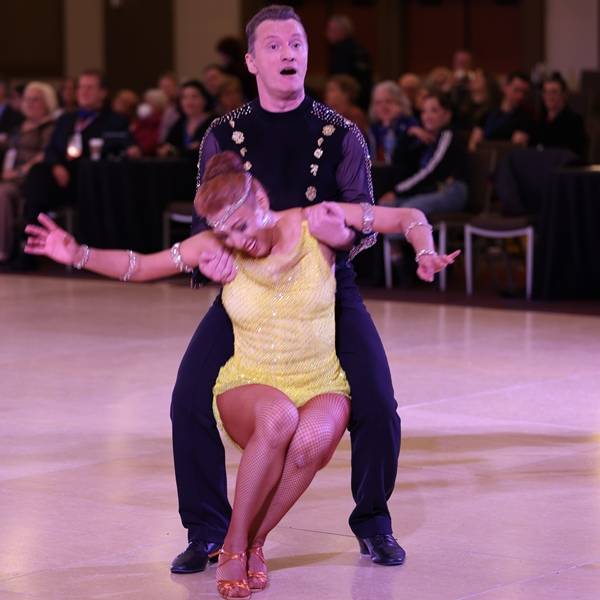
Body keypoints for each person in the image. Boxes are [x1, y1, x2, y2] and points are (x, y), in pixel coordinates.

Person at [25, 151, 458, 599]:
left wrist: (424, 252)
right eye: (225, 231)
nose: (239, 240)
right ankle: (233, 546)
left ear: (263, 200)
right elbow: (142, 265)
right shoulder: (215, 248)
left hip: (320, 379)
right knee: (278, 420)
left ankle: (255, 541)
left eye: (244, 225)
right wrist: (76, 254)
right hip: (249, 381)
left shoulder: (317, 223)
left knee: (312, 439)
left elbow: (408, 215)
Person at [171, 4, 405, 576]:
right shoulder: (222, 133)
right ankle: (207, 530)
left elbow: (365, 220)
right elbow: (213, 216)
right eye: (273, 45)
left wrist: (340, 235)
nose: (288, 54)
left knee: (377, 400)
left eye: (296, 44)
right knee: (186, 401)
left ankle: (373, 520)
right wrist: (217, 263)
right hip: (247, 287)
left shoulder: (340, 132)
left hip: (321, 285)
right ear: (252, 60)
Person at [15, 70, 131, 269]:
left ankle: (86, 252)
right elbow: (51, 149)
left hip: (92, 180)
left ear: (102, 92)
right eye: (80, 87)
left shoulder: (115, 120)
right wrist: (56, 165)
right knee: (37, 175)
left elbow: (125, 146)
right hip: (62, 179)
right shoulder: (66, 119)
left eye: (89, 87)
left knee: (39, 182)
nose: (83, 92)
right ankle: (30, 241)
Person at [379, 92, 468, 217]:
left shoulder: (449, 135)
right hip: (429, 189)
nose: (427, 116)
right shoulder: (426, 138)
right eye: (424, 111)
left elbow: (432, 171)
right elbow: (400, 165)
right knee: (385, 207)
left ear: (447, 115)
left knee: (406, 214)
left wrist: (397, 192)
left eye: (434, 111)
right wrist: (408, 135)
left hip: (450, 189)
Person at [0, 82, 57, 261]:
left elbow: (46, 154)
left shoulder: (50, 128)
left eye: (36, 100)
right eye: (27, 99)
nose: (30, 104)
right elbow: (9, 151)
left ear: (47, 102)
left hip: (33, 181)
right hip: (11, 177)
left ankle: (2, 251)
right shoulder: (19, 126)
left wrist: (20, 172)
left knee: (2, 193)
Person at [469, 71, 533, 151]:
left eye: (524, 92)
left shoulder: (525, 118)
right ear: (505, 87)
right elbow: (473, 143)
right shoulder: (488, 113)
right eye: (516, 90)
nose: (520, 96)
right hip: (485, 157)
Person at [367, 80, 420, 165]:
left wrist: (390, 125)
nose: (383, 107)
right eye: (378, 103)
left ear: (400, 103)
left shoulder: (411, 125)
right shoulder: (373, 129)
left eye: (388, 101)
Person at [534, 72, 586, 158]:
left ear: (564, 95)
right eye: (546, 92)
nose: (549, 97)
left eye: (554, 92)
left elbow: (574, 153)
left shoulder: (574, 121)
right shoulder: (539, 120)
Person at [326, 14, 373, 109]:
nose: (327, 34)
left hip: (351, 103)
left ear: (341, 31)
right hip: (363, 100)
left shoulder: (342, 52)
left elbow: (340, 79)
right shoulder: (359, 48)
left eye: (331, 30)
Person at [158, 80, 213, 159]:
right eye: (184, 97)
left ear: (205, 100)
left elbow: (201, 151)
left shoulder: (215, 122)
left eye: (194, 97)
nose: (189, 102)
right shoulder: (181, 122)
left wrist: (176, 151)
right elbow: (166, 145)